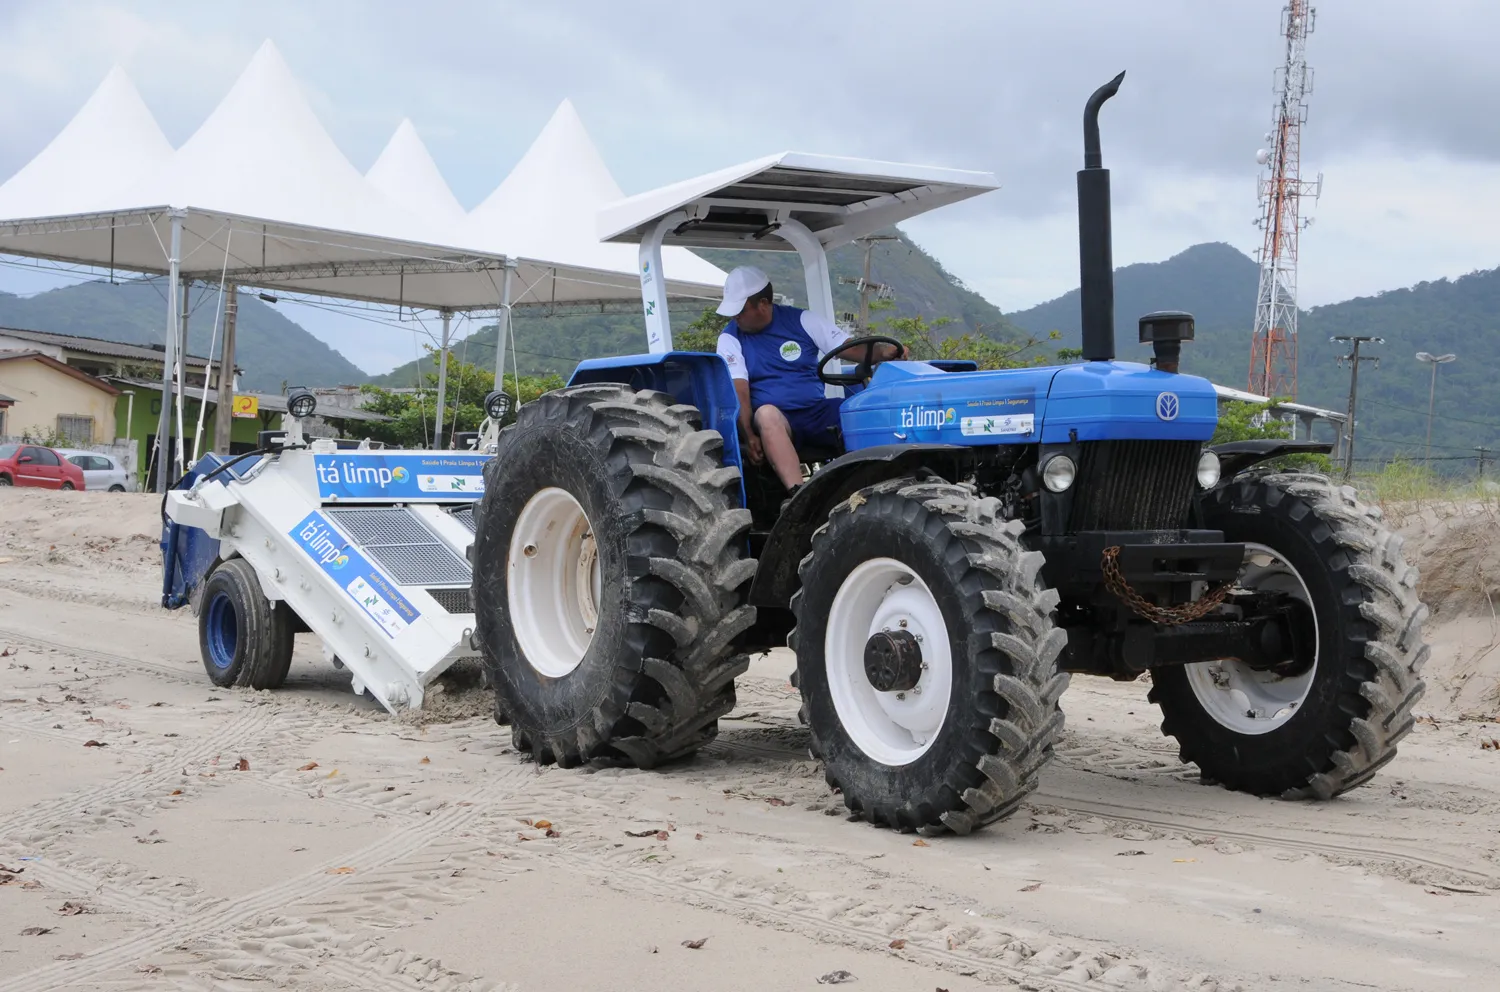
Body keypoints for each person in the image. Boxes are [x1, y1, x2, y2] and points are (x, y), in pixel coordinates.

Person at [715, 265, 903, 493]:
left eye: (741, 310)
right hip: (779, 420)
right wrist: (748, 434)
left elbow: (850, 349)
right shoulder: (730, 337)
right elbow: (739, 390)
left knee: (863, 410)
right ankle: (798, 494)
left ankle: (883, 485)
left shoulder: (803, 321)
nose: (735, 316)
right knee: (767, 414)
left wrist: (884, 352)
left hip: (815, 411)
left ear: (763, 304)